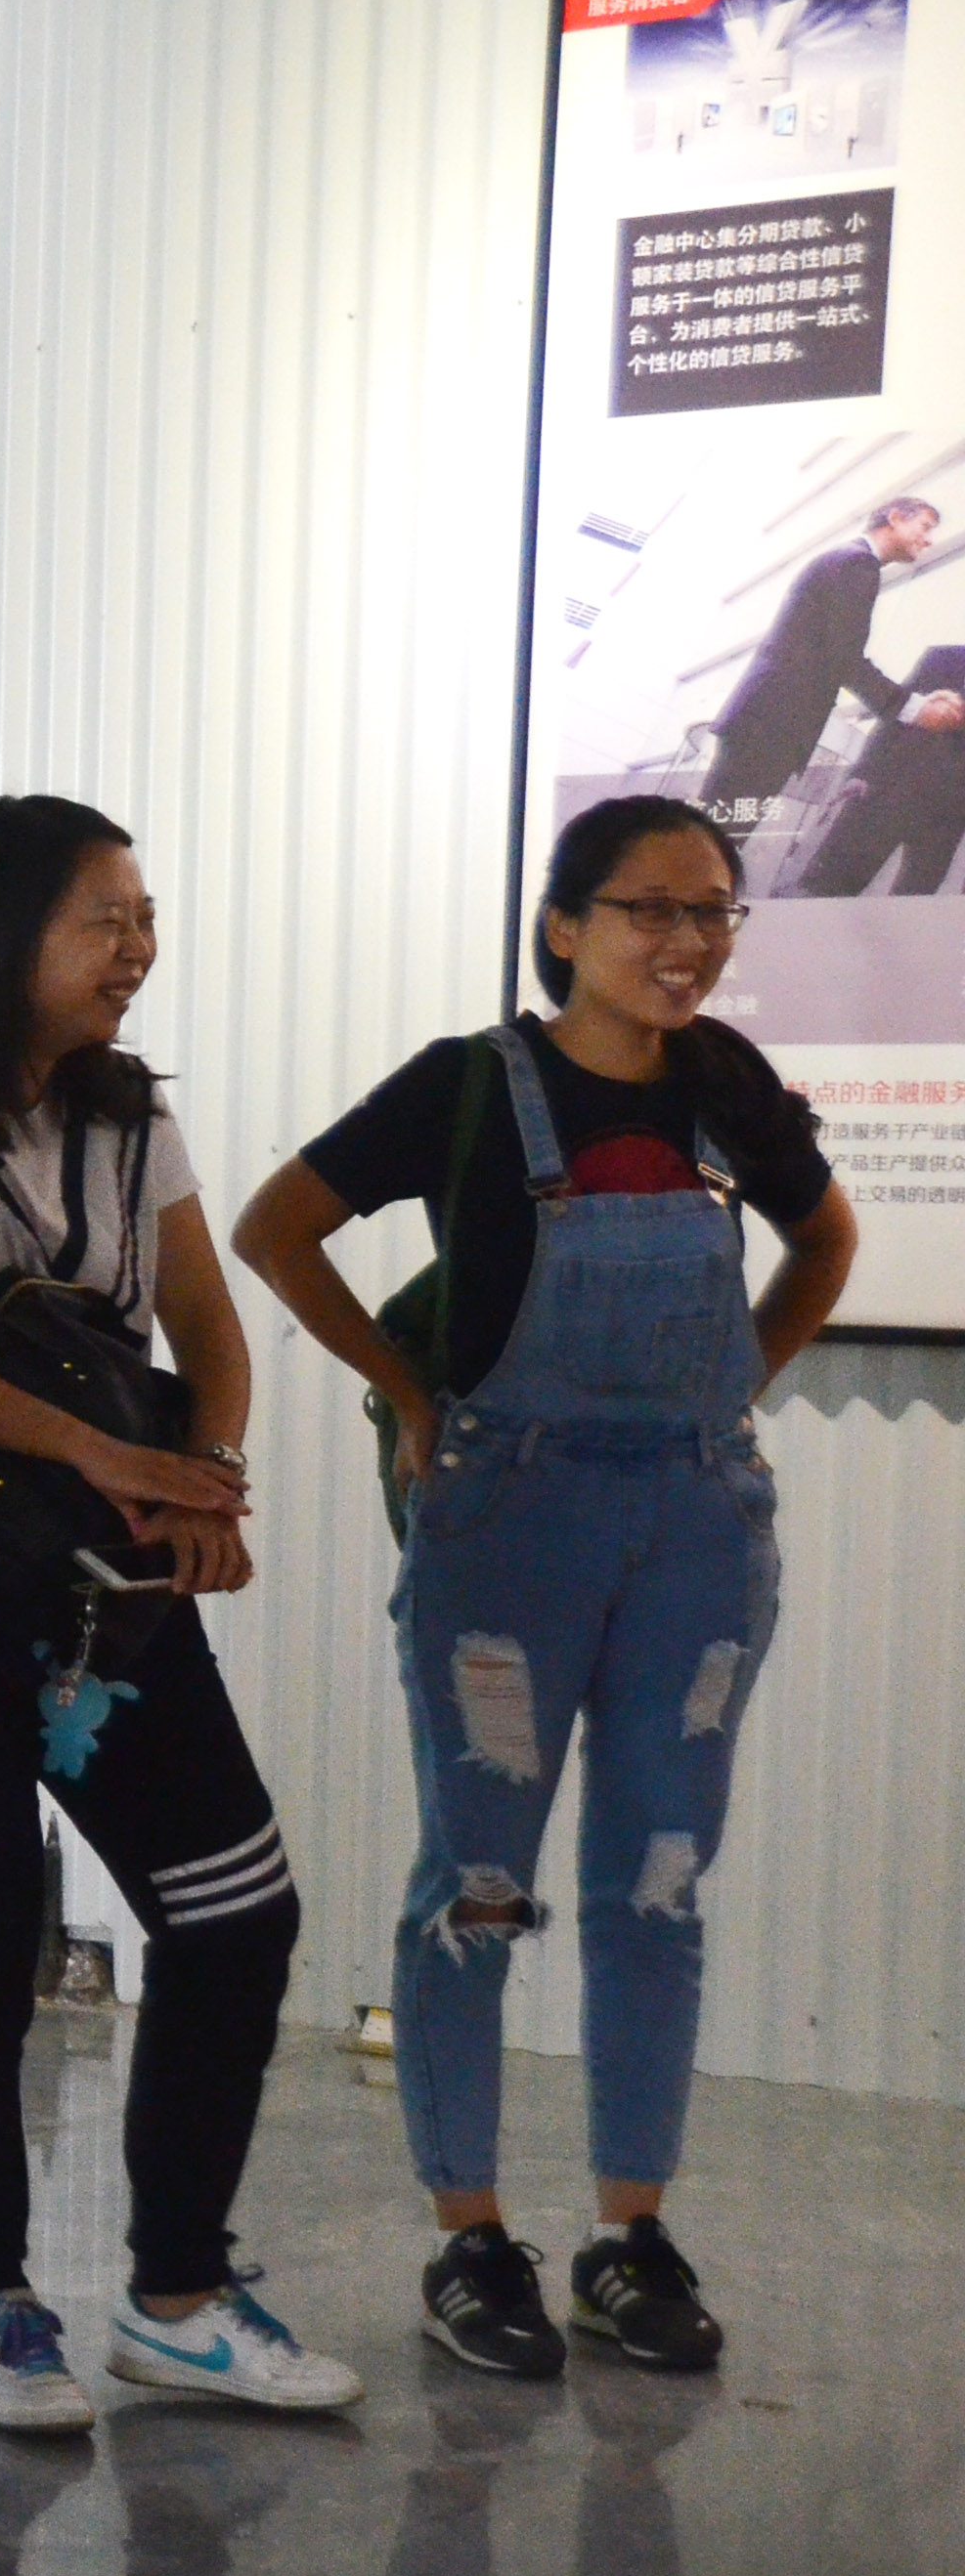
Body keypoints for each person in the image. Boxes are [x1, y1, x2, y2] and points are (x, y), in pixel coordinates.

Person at [233, 798, 849, 2380]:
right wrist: (405, 1392)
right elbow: (273, 1227)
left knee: (657, 1880)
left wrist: (733, 1391)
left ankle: (628, 2238)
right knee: (481, 1883)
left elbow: (825, 1239)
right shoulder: (466, 1086)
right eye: (649, 909)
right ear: (564, 926)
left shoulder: (727, 1087)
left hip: (695, 1537)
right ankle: (470, 2237)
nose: (685, 941)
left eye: (712, 911)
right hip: (507, 1533)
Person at [0, 795, 357, 2429]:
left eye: (142, 916)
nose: (136, 948)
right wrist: (94, 1451)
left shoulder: (127, 1114)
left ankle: (177, 2295)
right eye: (100, 920)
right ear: (1, 934)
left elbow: (205, 1321)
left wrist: (200, 1479)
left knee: (234, 1913)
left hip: (101, 1588)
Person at [701, 498, 957, 808]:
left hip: (763, 725)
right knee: (718, 830)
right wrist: (912, 708)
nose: (929, 540)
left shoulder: (848, 560)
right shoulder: (857, 564)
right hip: (770, 729)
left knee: (716, 826)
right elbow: (845, 658)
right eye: (925, 527)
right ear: (895, 518)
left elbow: (835, 654)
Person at [782, 640, 965, 899]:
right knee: (825, 888)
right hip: (885, 795)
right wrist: (861, 773)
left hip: (947, 819)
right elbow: (896, 718)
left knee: (913, 903)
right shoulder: (945, 658)